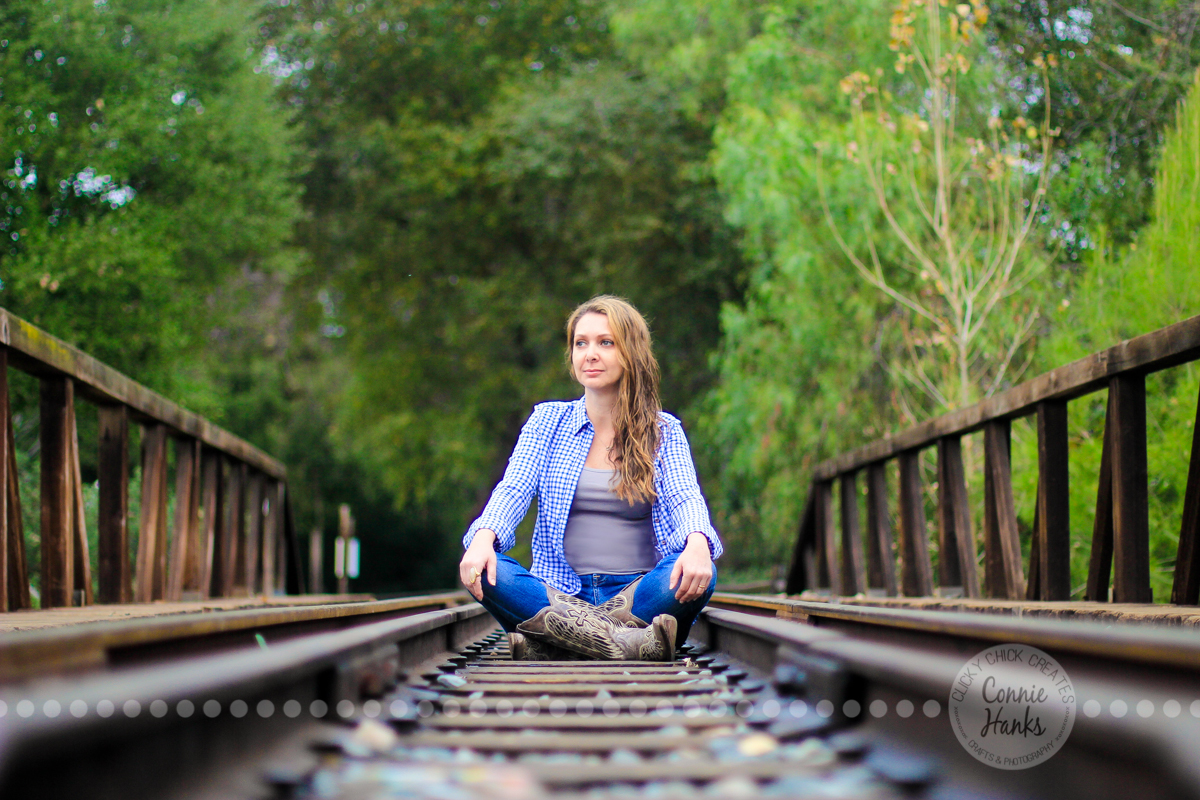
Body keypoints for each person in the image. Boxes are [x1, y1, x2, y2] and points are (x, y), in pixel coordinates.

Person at [458, 295, 721, 661]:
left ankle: (559, 643)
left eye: (605, 342)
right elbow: (514, 488)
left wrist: (696, 544)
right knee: (487, 570)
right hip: (558, 591)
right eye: (581, 343)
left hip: (639, 594)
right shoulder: (547, 421)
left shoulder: (663, 431)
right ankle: (625, 644)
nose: (590, 353)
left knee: (699, 568)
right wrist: (484, 537)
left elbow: (684, 497)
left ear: (631, 352)